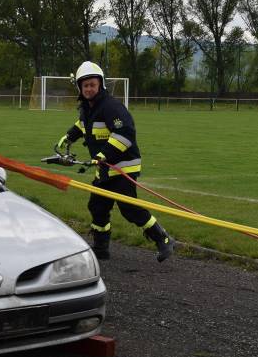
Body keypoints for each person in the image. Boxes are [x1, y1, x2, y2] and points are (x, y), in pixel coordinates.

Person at [54, 61, 174, 262]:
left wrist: (104, 155)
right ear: (80, 88)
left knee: (129, 209)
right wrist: (69, 137)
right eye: (85, 85)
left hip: (122, 168)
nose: (89, 89)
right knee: (97, 207)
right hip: (104, 169)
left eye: (93, 85)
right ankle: (101, 248)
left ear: (100, 85)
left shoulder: (111, 106)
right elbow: (83, 124)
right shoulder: (87, 108)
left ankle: (164, 239)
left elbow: (125, 134)